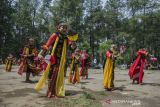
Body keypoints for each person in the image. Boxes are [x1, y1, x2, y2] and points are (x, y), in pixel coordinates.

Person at [35, 22, 78, 98]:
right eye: (62, 27)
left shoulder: (66, 38)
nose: (64, 29)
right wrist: (40, 53)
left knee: (58, 73)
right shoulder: (54, 35)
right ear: (58, 28)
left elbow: (72, 47)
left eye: (65, 28)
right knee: (51, 73)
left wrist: (73, 41)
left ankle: (56, 90)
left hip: (61, 59)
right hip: (53, 58)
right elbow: (47, 45)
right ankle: (50, 91)